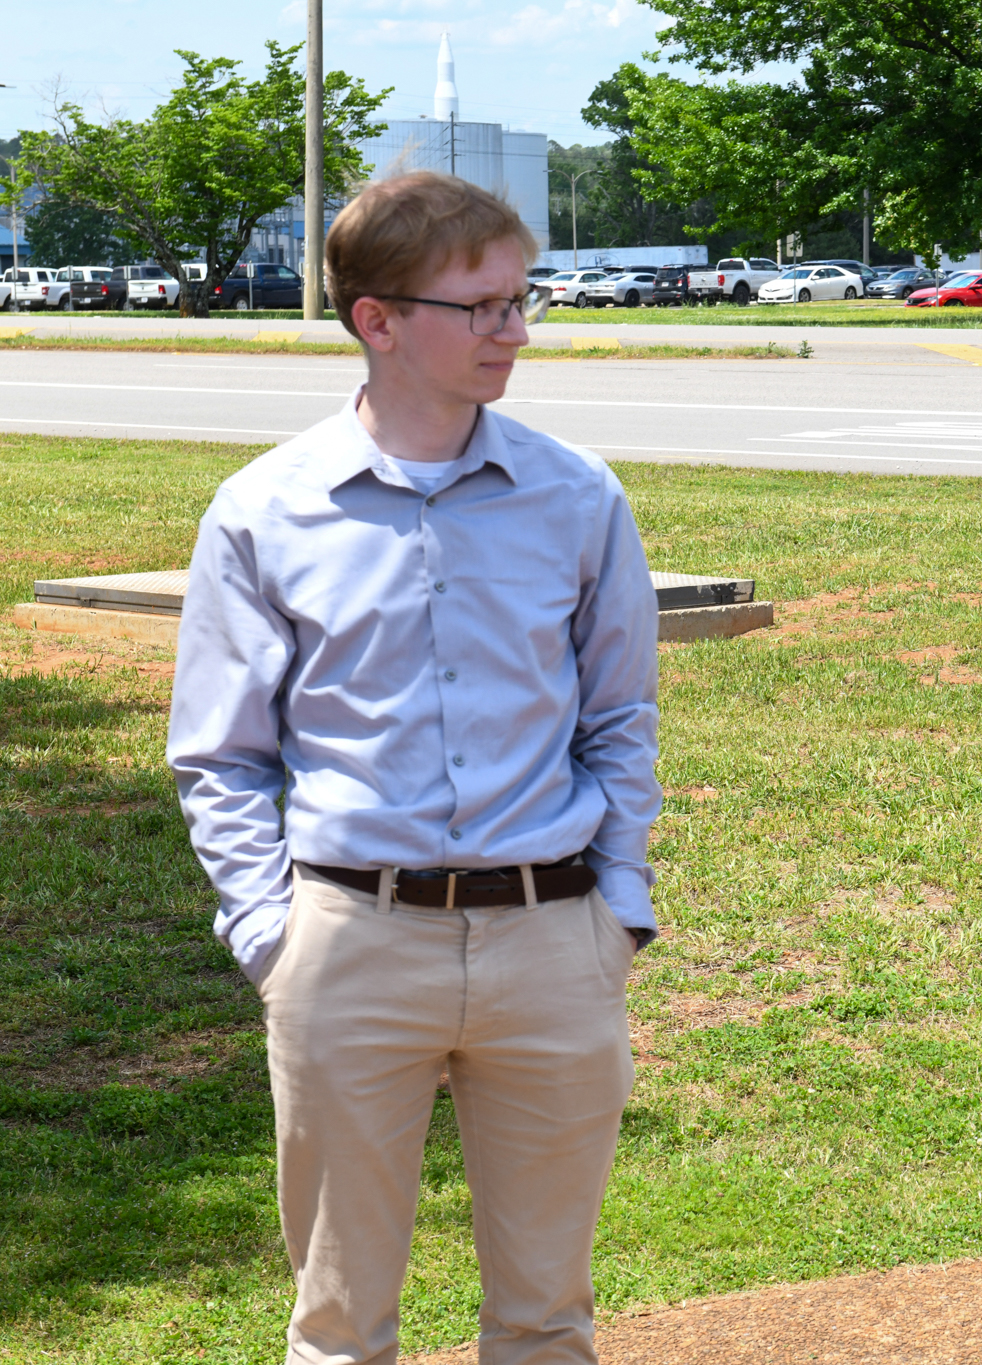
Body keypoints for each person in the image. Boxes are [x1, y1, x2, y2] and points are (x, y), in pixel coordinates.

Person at [166, 171, 661, 1365]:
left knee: (548, 1321)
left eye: (520, 300)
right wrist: (271, 936)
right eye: (482, 306)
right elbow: (222, 754)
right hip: (347, 942)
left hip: (552, 938)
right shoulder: (264, 511)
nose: (516, 332)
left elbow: (620, 718)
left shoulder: (575, 496)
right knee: (339, 1327)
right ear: (376, 319)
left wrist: (618, 908)